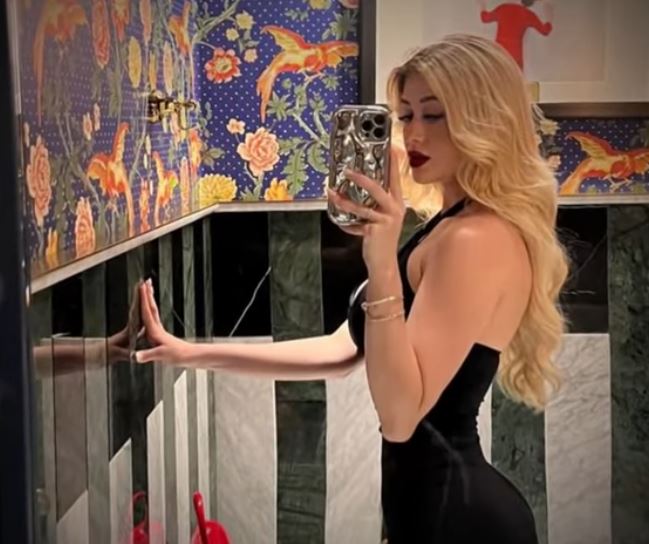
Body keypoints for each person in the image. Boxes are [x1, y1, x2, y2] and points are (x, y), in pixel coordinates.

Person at [136, 33, 569, 543]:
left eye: (435, 115)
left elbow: (401, 417)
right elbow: (341, 350)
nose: (414, 134)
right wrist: (187, 353)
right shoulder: (450, 226)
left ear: (484, 121)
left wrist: (381, 262)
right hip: (432, 511)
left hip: (462, 522)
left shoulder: (474, 239)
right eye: (405, 115)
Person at [478, 0, 553, 70]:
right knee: (515, 76)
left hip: (500, 52)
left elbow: (485, 18)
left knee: (498, 75)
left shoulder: (502, 9)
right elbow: (545, 31)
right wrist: (549, 16)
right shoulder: (528, 14)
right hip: (515, 54)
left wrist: (482, 4)